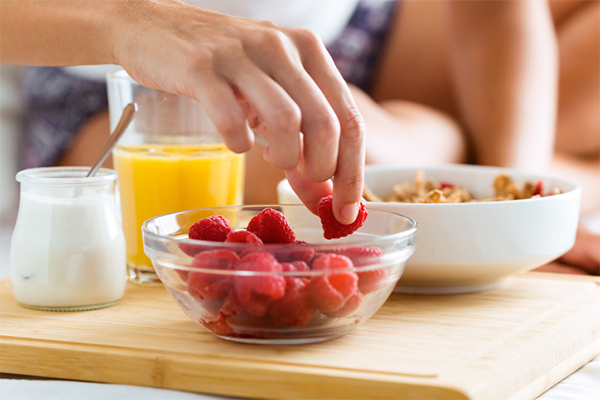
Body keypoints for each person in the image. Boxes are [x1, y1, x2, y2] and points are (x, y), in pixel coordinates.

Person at [0, 0, 366, 227]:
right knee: (338, 165)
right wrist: (131, 20)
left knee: (365, 152)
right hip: (105, 60)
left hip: (346, 20)